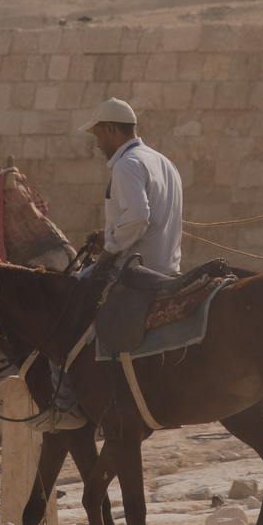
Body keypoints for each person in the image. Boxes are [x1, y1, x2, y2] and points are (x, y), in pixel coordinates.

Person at [87, 97, 185, 358]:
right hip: (168, 268)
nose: (97, 144)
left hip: (135, 272)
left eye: (97, 134)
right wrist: (107, 234)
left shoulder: (126, 165)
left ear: (110, 129)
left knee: (70, 301)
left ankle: (63, 397)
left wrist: (109, 249)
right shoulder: (164, 162)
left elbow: (139, 217)